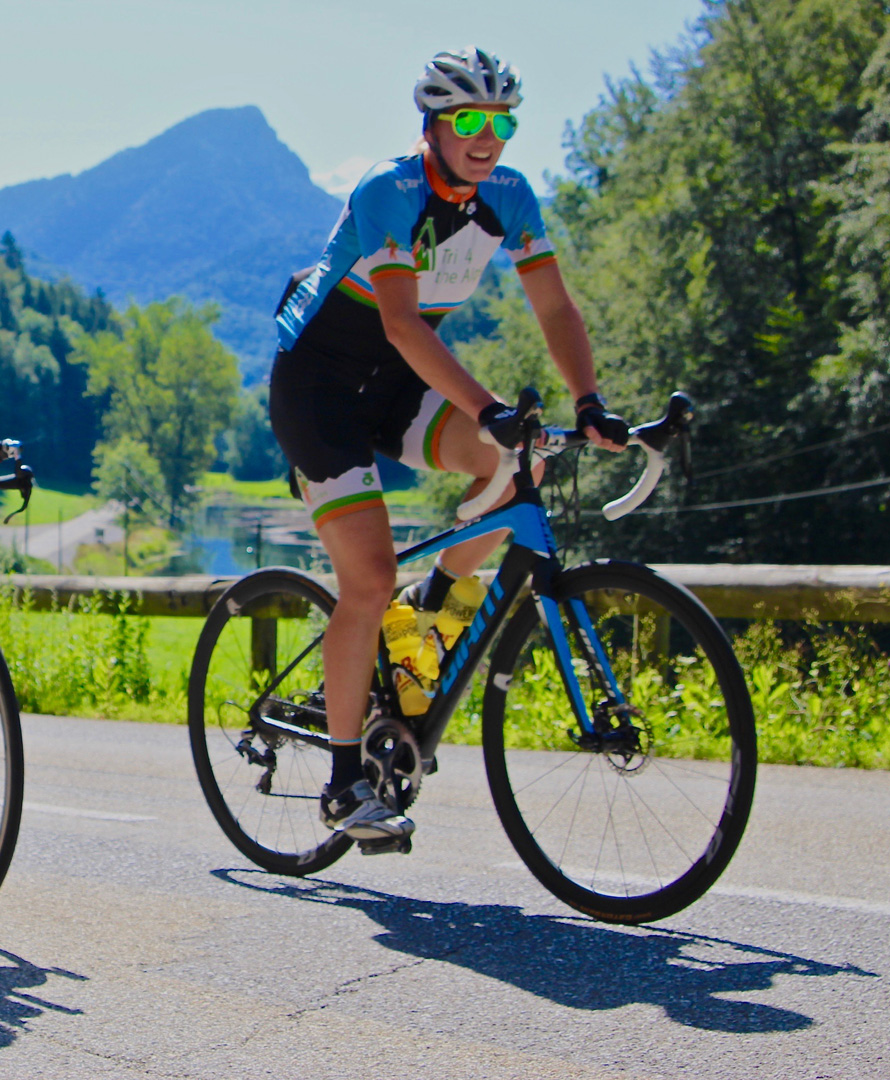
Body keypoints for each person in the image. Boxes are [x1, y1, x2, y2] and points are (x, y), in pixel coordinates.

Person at [268, 47, 631, 844]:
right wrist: (489, 404)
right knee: (367, 577)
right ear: (431, 126)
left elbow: (555, 306)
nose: (487, 135)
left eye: (501, 121)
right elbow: (399, 321)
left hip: (396, 384)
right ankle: (341, 786)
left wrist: (589, 401)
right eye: (469, 119)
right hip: (320, 386)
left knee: (516, 464)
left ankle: (427, 618)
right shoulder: (387, 190)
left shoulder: (511, 195)